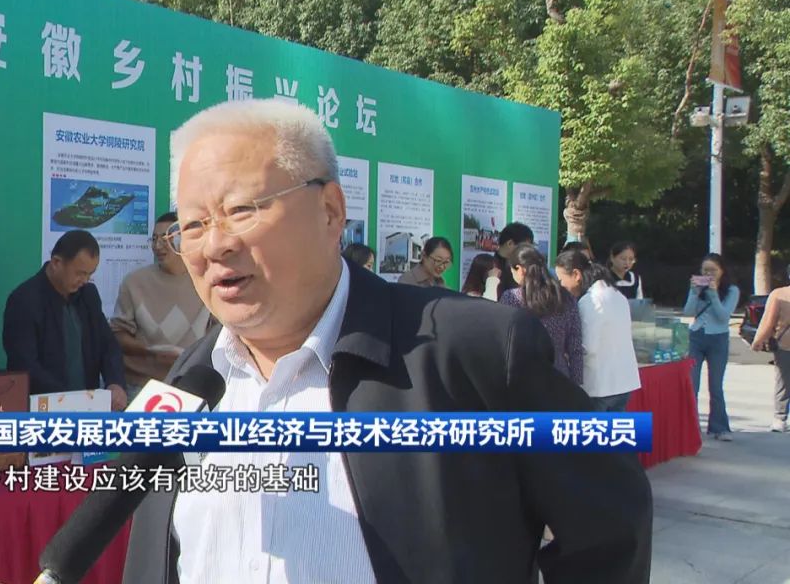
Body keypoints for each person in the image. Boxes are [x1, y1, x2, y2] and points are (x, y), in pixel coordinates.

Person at [123, 99, 651, 584]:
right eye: (193, 225)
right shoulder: (190, 380)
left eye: (241, 210)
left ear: (330, 210)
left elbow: (611, 529)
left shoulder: (477, 351)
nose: (214, 245)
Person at [3, 230, 128, 410]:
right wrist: (70, 400)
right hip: (45, 407)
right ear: (56, 263)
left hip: (89, 406)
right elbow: (24, 365)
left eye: (90, 274)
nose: (85, 280)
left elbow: (108, 345)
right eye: (80, 273)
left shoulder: (89, 295)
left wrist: (115, 382)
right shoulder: (24, 300)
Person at [111, 213, 212, 402]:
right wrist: (150, 351)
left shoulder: (206, 282)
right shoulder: (134, 282)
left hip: (191, 387)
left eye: (166, 239)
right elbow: (117, 334)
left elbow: (219, 335)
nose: (157, 246)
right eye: (154, 239)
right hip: (141, 387)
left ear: (184, 241)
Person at [556, 251, 642, 411]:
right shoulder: (616, 294)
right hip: (624, 382)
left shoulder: (590, 301)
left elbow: (588, 348)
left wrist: (565, 355)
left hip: (600, 386)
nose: (561, 285)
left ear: (576, 275)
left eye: (561, 279)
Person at [500, 245, 583, 385]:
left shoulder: (511, 298)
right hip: (558, 376)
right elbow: (575, 347)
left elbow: (503, 341)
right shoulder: (566, 297)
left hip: (521, 377)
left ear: (520, 269)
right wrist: (577, 382)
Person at [683, 253, 740, 441]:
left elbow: (723, 317)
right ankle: (690, 427)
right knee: (692, 384)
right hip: (696, 336)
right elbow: (688, 312)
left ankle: (719, 428)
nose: (708, 274)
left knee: (715, 386)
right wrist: (694, 292)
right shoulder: (698, 288)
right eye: (705, 270)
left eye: (713, 270)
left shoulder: (732, 290)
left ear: (722, 271)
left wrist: (714, 294)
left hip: (718, 339)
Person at [749, 264, 790, 432]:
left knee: (783, 381)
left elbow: (768, 321)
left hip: (785, 344)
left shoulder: (779, 294)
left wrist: (757, 340)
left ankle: (780, 418)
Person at [495, 222, 534, 298]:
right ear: (510, 243)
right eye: (524, 247)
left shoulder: (526, 267)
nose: (527, 251)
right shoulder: (488, 264)